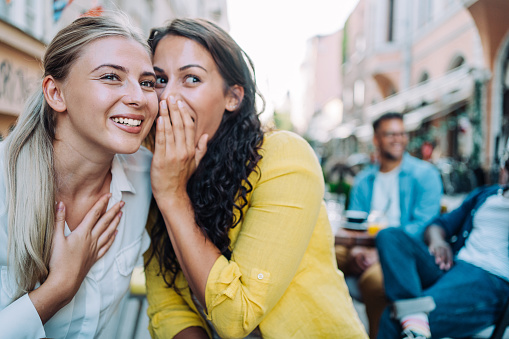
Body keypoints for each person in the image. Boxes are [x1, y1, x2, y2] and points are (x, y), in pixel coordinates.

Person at [144, 18, 368, 338]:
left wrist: (172, 195)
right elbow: (169, 306)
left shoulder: (284, 157)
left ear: (233, 97)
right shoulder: (158, 168)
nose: (167, 97)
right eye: (158, 80)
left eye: (191, 78)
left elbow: (236, 316)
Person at [0, 14, 158, 338]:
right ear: (56, 93)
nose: (139, 98)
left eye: (147, 82)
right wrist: (57, 289)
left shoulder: (149, 177)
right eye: (112, 76)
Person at [376, 148, 509, 339]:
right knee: (389, 236)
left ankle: (413, 316)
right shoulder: (485, 195)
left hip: (491, 281)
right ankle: (414, 315)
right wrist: (438, 241)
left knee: (392, 320)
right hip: (452, 264)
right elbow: (439, 224)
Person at [335, 112, 443, 338]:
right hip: (362, 245)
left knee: (375, 283)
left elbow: (424, 224)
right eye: (390, 134)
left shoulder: (425, 175)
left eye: (402, 133)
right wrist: (356, 249)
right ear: (376, 139)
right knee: (316, 254)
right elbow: (354, 222)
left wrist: (380, 250)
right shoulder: (364, 179)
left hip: (399, 252)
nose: (398, 139)